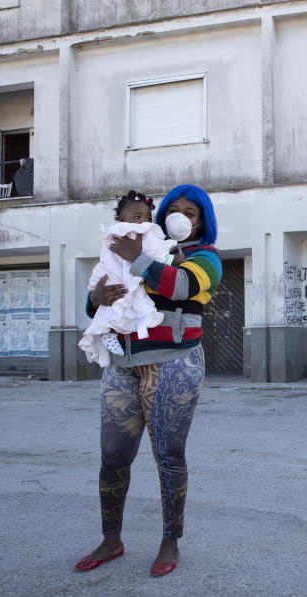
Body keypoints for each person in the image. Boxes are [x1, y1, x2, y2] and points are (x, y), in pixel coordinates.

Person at [75, 184, 222, 577]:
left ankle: (169, 542)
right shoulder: (135, 246)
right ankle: (112, 539)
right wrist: (96, 297)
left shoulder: (206, 257)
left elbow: (179, 286)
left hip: (174, 363)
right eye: (174, 209)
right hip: (122, 364)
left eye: (190, 212)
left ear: (201, 221)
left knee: (169, 458)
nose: (181, 217)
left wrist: (137, 256)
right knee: (112, 457)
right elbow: (101, 294)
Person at [78, 190, 178, 368]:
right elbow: (155, 252)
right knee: (126, 303)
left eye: (148, 218)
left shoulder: (114, 233)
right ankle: (102, 338)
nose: (143, 223)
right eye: (137, 217)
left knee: (117, 307)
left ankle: (98, 340)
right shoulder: (137, 234)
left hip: (108, 274)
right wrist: (170, 258)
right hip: (115, 274)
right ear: (122, 219)